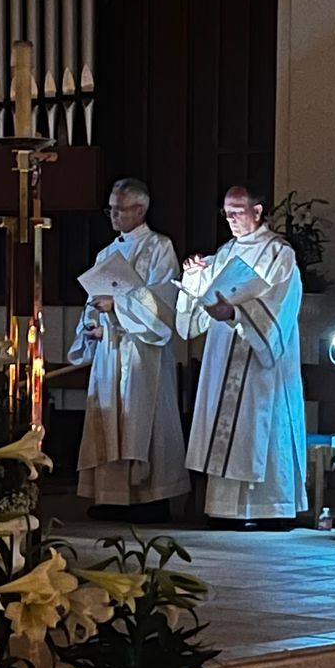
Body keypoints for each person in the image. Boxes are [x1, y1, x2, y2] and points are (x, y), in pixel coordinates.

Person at [179, 186, 307, 529]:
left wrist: (238, 314)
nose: (231, 219)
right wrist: (194, 278)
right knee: (227, 428)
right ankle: (224, 509)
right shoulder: (225, 253)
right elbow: (200, 306)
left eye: (237, 211)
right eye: (227, 212)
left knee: (260, 423)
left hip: (260, 357)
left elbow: (281, 303)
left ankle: (272, 508)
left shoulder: (279, 253)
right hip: (224, 353)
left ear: (258, 211)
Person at [69, 178, 189, 521]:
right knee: (110, 419)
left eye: (120, 209)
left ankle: (150, 499)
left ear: (140, 209)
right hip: (110, 349)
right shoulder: (106, 253)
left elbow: (163, 303)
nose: (114, 215)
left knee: (141, 419)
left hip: (143, 352)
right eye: (111, 209)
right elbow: (93, 300)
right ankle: (110, 496)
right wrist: (91, 325)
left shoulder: (159, 248)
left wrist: (118, 306)